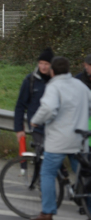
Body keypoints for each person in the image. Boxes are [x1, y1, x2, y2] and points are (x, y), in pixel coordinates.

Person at [30, 56, 91, 220]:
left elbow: (49, 108)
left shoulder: (54, 86)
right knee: (85, 177)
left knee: (48, 173)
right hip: (80, 141)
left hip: (59, 141)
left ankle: (47, 212)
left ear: (52, 71)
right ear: (69, 70)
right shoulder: (81, 86)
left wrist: (35, 121)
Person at [14, 48, 53, 150]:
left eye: (46, 64)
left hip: (54, 127)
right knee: (43, 156)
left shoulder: (56, 81)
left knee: (53, 158)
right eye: (41, 63)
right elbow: (20, 105)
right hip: (37, 127)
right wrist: (19, 129)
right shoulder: (30, 80)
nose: (43, 67)